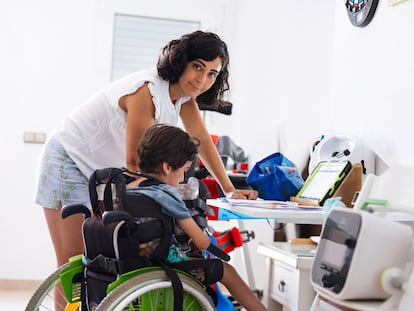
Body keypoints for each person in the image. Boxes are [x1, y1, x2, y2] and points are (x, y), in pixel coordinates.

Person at [34, 30, 259, 272]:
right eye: (197, 66)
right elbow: (135, 162)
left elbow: (202, 140)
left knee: (95, 262)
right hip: (67, 159)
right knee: (73, 262)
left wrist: (229, 189)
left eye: (212, 73)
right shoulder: (147, 91)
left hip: (97, 171)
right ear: (181, 60)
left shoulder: (183, 98)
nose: (202, 80)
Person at [127, 124, 267, 311]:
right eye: (184, 170)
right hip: (162, 266)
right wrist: (197, 240)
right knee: (227, 271)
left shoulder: (126, 186)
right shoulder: (166, 194)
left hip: (131, 263)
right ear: (168, 167)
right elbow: (201, 242)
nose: (184, 175)